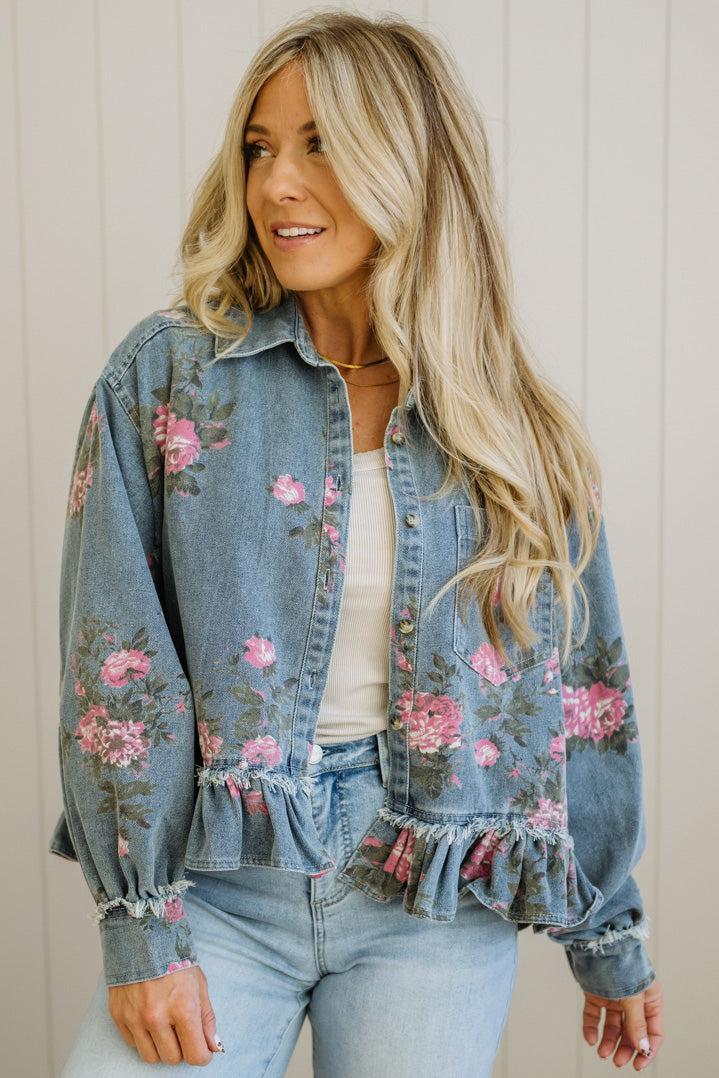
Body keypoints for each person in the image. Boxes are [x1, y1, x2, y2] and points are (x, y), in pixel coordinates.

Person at [49, 10, 664, 1076]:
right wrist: (139, 917)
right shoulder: (168, 378)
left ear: (408, 165)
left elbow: (583, 696)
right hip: (218, 887)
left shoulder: (515, 429)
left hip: (428, 901)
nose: (276, 184)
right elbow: (117, 667)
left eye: (320, 143)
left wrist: (605, 931)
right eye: (259, 147)